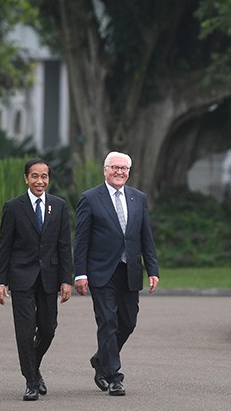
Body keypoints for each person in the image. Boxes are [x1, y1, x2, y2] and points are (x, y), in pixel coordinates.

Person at [73, 151, 160, 396]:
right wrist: (80, 273)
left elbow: (146, 237)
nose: (119, 172)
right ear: (105, 170)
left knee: (128, 322)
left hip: (129, 270)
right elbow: (80, 240)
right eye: (115, 168)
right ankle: (114, 376)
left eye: (124, 168)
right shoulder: (90, 199)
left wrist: (152, 269)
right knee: (108, 321)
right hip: (101, 272)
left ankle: (100, 359)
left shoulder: (138, 198)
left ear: (129, 172)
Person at [0, 158, 73, 401]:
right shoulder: (14, 206)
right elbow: (4, 247)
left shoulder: (59, 206)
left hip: (49, 277)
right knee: (26, 332)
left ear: (49, 179)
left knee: (48, 329)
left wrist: (65, 279)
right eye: (35, 176)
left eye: (44, 176)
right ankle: (30, 382)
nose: (40, 181)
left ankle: (34, 368)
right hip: (21, 278)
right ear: (26, 178)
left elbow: (64, 246)